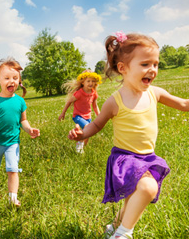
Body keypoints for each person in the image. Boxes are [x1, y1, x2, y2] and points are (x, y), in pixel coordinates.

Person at [68, 32, 189, 239]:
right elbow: (96, 124)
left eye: (156, 64)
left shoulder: (155, 93)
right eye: (145, 64)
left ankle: (113, 227)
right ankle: (123, 234)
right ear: (123, 68)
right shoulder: (115, 101)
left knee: (132, 199)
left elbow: (184, 104)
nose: (152, 69)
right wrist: (81, 134)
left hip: (148, 157)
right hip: (125, 158)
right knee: (148, 187)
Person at [0, 57, 40, 207]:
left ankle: (13, 198)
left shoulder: (20, 101)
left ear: (19, 80)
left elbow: (23, 121)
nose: (11, 81)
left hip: (12, 142)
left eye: (15, 78)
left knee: (12, 169)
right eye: (7, 78)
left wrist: (29, 129)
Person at [58, 69, 101, 153]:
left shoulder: (94, 93)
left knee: (88, 132)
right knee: (87, 127)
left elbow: (95, 106)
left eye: (93, 81)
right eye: (88, 81)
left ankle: (82, 147)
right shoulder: (79, 93)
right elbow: (69, 101)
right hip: (78, 116)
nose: (91, 83)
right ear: (82, 82)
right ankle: (79, 145)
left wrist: (100, 116)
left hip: (88, 117)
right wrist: (63, 113)